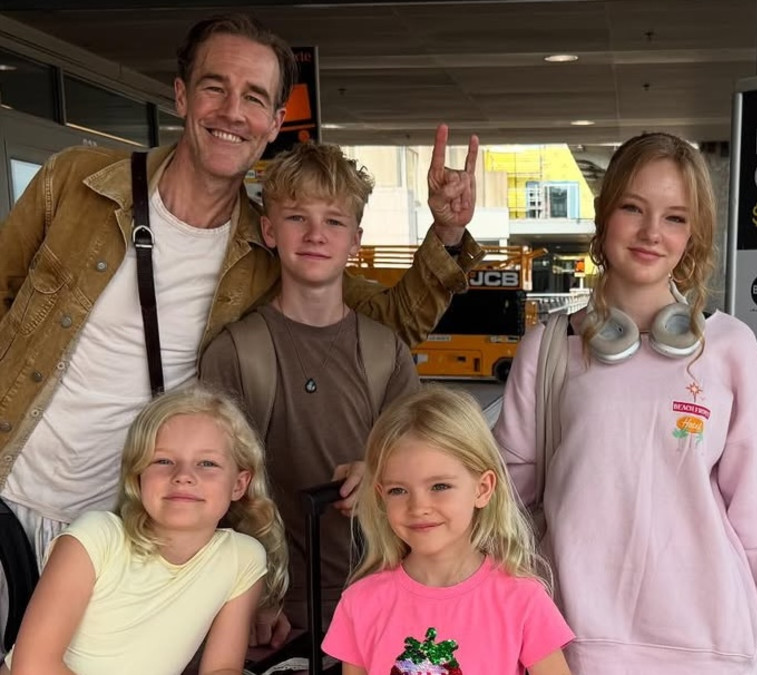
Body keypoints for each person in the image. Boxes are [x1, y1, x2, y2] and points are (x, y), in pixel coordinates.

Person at [0, 13, 479, 646]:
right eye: (214, 87)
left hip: (135, 527)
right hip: (9, 485)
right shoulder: (77, 184)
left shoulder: (261, 249)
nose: (233, 110)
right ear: (181, 95)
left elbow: (384, 318)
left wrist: (446, 234)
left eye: (255, 96)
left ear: (275, 121)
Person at [491, 132, 757, 674]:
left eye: (676, 218)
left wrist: (754, 614)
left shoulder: (727, 348)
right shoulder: (549, 349)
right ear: (605, 213)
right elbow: (505, 498)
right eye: (633, 208)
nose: (652, 233)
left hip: (707, 646)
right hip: (573, 641)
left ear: (693, 234)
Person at [200, 141, 420, 636]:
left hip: (380, 596)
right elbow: (210, 494)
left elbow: (427, 476)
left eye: (335, 222)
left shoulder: (387, 355)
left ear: (356, 240)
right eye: (298, 217)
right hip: (269, 607)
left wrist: (382, 474)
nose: (317, 235)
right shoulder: (235, 352)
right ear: (268, 230)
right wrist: (250, 597)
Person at [1, 384, 286, 675]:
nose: (184, 476)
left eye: (207, 463)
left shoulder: (243, 559)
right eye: (163, 461)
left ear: (239, 484)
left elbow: (222, 668)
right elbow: (33, 667)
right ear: (138, 476)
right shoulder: (94, 538)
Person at [321, 386, 573, 675]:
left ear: (483, 488)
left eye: (440, 486)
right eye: (398, 490)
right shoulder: (360, 603)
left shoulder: (522, 600)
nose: (419, 506)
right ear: (381, 495)